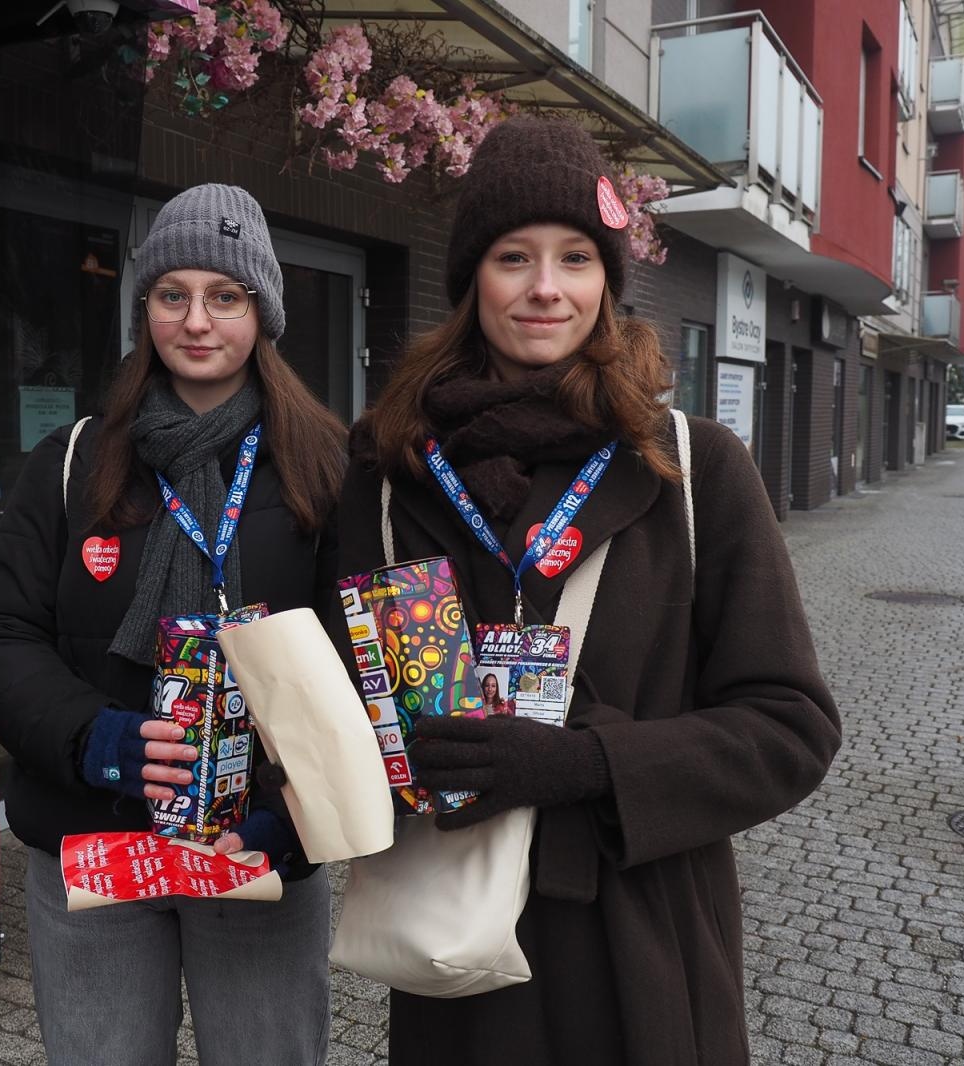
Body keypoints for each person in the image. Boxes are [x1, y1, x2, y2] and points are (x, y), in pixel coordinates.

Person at [338, 116, 841, 1064]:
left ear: (606, 282)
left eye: (575, 258)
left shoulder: (692, 466)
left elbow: (791, 731)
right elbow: (346, 701)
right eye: (513, 257)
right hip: (458, 951)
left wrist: (585, 765)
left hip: (642, 948)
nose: (545, 288)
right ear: (470, 282)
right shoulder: (392, 473)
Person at [0, 183, 347, 1066]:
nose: (196, 321)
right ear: (146, 309)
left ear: (262, 310)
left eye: (225, 296)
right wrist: (92, 737)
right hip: (97, 843)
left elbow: (356, 663)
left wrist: (294, 816)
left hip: (258, 848)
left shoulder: (324, 466)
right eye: (173, 294)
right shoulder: (74, 460)